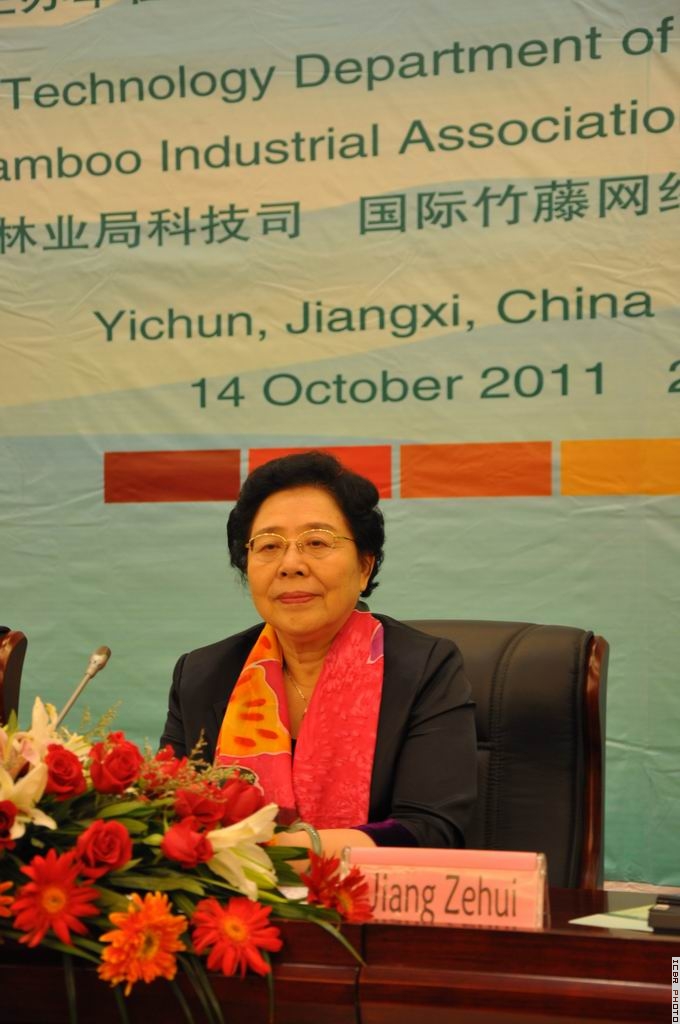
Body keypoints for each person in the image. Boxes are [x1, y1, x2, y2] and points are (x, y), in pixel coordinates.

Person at [160, 451, 477, 857]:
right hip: (234, 893)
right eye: (269, 545)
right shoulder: (203, 674)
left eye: (316, 542)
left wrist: (277, 852)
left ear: (364, 567)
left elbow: (431, 830)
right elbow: (169, 814)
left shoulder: (423, 668)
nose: (290, 564)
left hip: (369, 894)